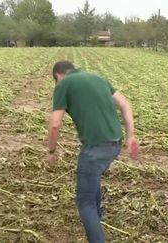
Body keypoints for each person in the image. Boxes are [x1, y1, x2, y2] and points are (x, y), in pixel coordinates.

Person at [47, 61, 139, 243]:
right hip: (115, 144)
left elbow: (55, 124)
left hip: (95, 149)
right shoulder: (99, 78)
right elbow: (125, 104)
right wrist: (131, 136)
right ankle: (96, 220)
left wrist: (51, 150)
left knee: (84, 203)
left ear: (58, 75)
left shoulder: (63, 85)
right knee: (92, 180)